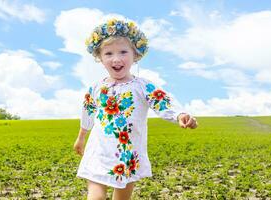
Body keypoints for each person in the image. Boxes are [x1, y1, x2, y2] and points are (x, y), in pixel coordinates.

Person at [74, 18, 198, 200]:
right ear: (100, 58)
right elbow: (88, 112)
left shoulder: (142, 86)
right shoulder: (96, 88)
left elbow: (162, 101)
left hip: (127, 156)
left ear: (135, 55)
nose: (116, 59)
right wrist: (81, 138)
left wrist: (179, 115)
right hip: (98, 152)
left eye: (123, 52)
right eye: (108, 53)